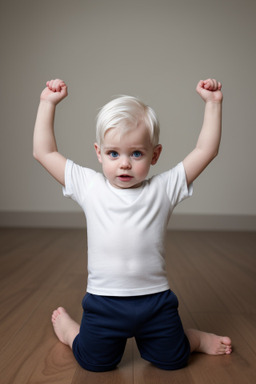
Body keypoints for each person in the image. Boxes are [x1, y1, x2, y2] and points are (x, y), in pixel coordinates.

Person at [33, 78, 232, 372]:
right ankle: (70, 332)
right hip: (103, 303)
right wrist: (47, 103)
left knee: (174, 359)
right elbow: (44, 153)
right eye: (114, 153)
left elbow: (205, 151)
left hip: (155, 302)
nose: (124, 163)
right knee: (94, 362)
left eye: (136, 154)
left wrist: (213, 104)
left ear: (155, 155)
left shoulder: (164, 188)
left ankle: (194, 340)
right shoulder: (90, 186)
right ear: (99, 152)